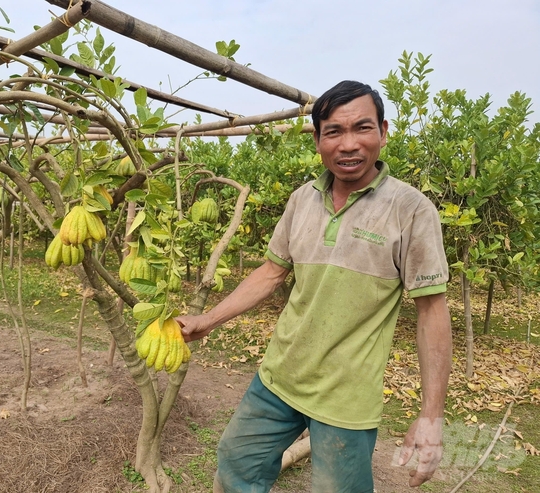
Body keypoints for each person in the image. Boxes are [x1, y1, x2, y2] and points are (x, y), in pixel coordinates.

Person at [176, 80, 452, 493]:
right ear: (318, 140)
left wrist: (431, 417)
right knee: (236, 465)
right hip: (279, 377)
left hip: (346, 396)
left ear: (384, 131)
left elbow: (432, 311)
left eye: (362, 128)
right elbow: (271, 272)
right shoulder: (302, 199)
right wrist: (208, 320)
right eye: (333, 132)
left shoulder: (411, 210)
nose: (348, 144)